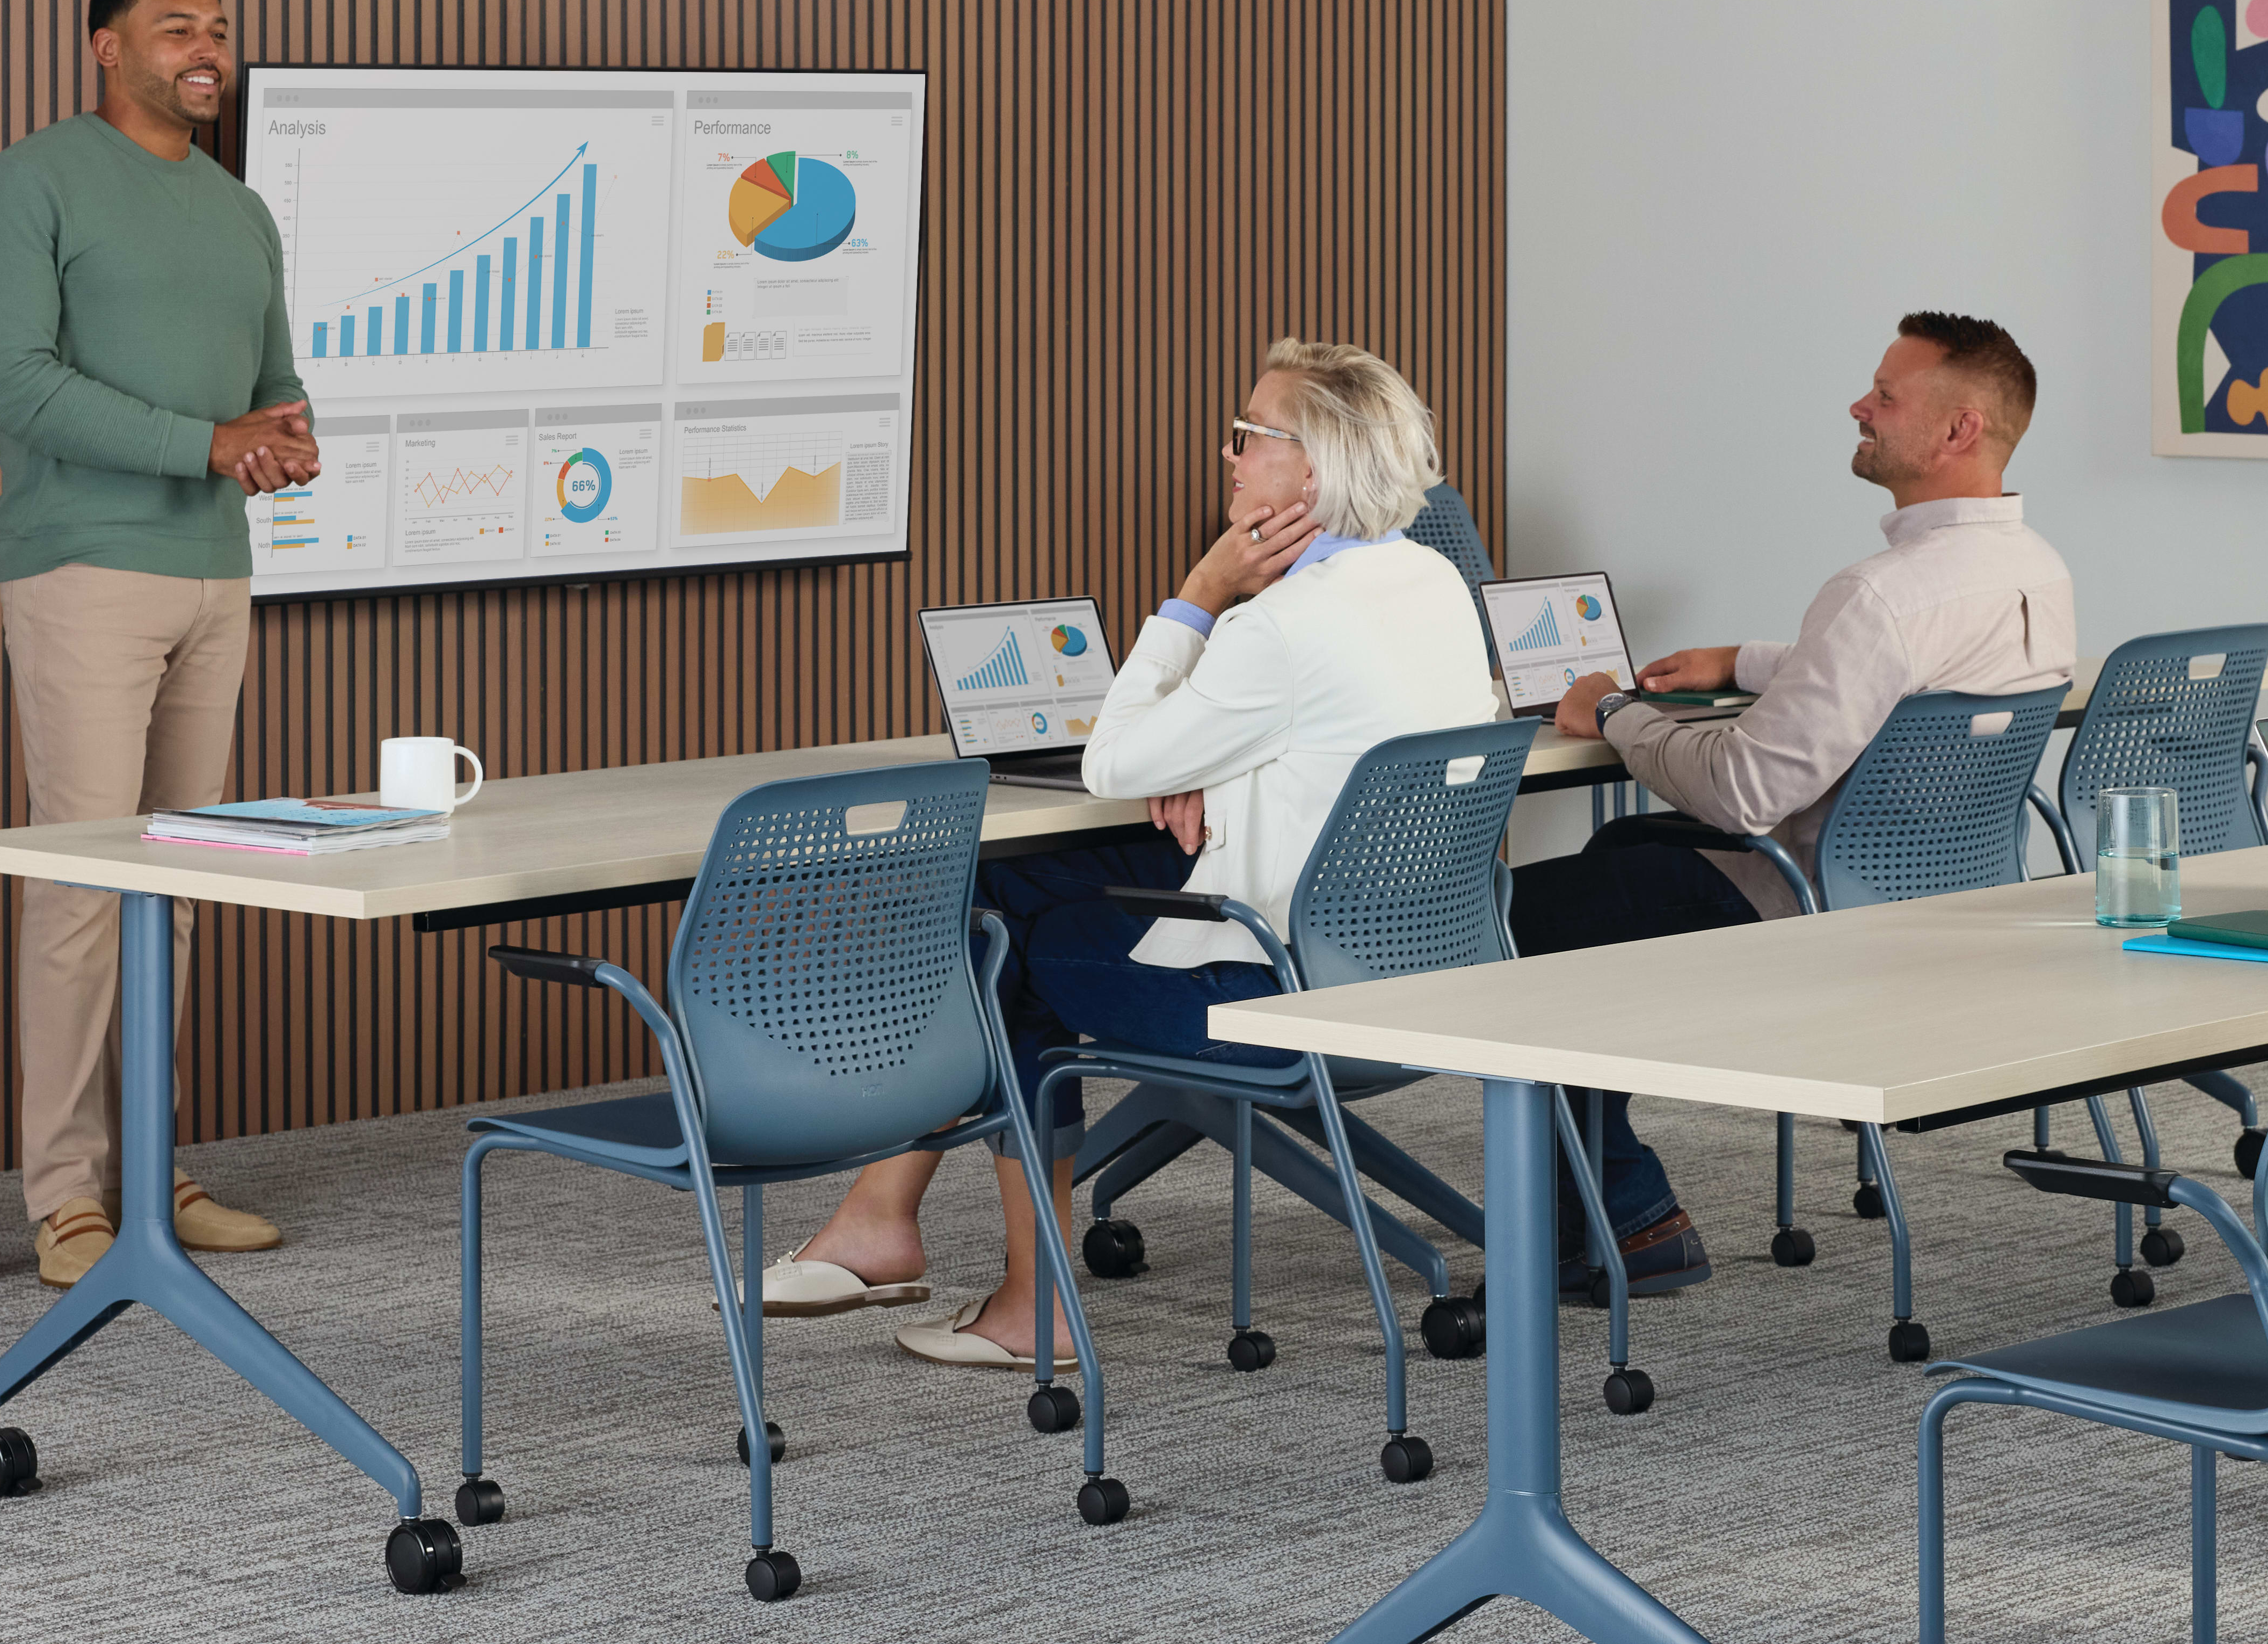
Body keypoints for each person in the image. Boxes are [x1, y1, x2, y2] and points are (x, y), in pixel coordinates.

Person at [772, 339, 1505, 1368]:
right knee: (1009, 891)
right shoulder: (1431, 582)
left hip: (1280, 995)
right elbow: (1326, 736)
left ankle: (1025, 1299)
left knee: (996, 943)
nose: (1231, 458)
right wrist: (1220, 757)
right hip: (1416, 966)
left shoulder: (1283, 623)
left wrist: (1202, 590)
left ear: (1316, 465)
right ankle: (880, 1220)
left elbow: (1110, 760)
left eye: (1251, 437)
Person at [1506, 311, 2075, 1295]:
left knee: (1512, 925)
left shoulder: (1879, 594)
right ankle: (1605, 1198)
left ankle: (1622, 1220)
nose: (1859, 406)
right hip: (1927, 900)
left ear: (1958, 431)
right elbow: (1903, 677)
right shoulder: (2035, 569)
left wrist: (1613, 713)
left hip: (1795, 906)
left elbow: (1743, 790)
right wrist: (1745, 662)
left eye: (1886, 396)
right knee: (1619, 862)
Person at [0, 0, 318, 1289]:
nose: (207, 48)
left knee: (182, 883)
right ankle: (64, 1199)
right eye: (177, 28)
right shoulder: (34, 180)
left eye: (219, 26)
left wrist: (281, 437)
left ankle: (156, 1175)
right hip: (84, 570)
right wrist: (208, 441)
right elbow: (16, 386)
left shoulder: (239, 208)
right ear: (107, 45)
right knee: (85, 887)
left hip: (215, 571)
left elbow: (273, 378)